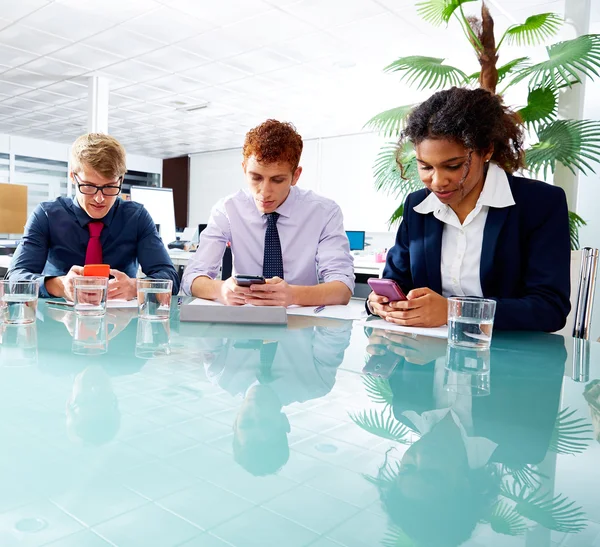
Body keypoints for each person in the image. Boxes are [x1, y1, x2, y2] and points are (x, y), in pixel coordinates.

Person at [367, 87, 571, 332]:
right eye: (425, 166)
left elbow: (550, 309)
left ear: (486, 151)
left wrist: (454, 311)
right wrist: (378, 302)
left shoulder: (540, 203)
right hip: (427, 356)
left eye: (452, 166)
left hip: (507, 359)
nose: (437, 181)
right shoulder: (417, 207)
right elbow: (396, 282)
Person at [182, 119, 354, 307]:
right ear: (244, 169)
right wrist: (221, 289)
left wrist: (293, 295)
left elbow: (342, 287)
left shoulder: (324, 212)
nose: (264, 191)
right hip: (243, 321)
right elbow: (192, 277)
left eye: (277, 180)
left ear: (296, 176)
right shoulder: (228, 210)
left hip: (301, 324)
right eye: (255, 177)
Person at [7, 133, 179, 300]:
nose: (99, 198)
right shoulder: (46, 215)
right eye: (89, 186)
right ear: (73, 177)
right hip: (56, 319)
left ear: (121, 180)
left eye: (110, 187)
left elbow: (170, 278)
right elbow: (14, 279)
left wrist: (135, 287)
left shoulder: (137, 217)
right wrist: (59, 286)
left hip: (119, 321)